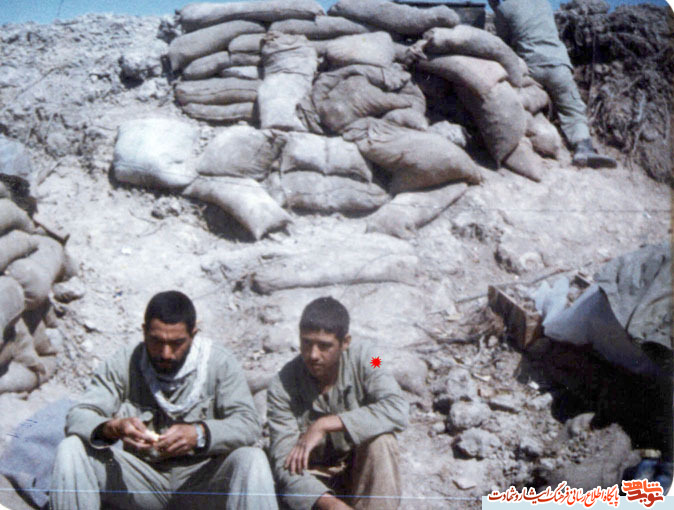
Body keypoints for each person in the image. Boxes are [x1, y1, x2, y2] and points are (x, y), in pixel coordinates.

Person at [50, 290, 278, 510]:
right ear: (144, 332)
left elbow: (248, 424)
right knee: (71, 449)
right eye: (156, 341)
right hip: (141, 481)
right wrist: (113, 428)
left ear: (193, 335)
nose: (166, 353)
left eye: (177, 343)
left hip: (202, 483)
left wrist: (199, 434)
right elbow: (79, 415)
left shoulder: (220, 364)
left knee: (252, 459)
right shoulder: (125, 362)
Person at [267, 296, 408, 510]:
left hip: (357, 474)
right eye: (306, 343)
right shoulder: (282, 384)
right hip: (313, 489)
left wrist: (324, 424)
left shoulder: (371, 359)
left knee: (383, 442)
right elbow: (284, 466)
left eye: (324, 346)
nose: (313, 355)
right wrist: (333, 506)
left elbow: (397, 407)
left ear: (345, 342)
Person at [490, 0, 617, 168]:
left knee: (524, 100)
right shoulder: (543, 3)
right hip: (558, 65)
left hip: (532, 67)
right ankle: (583, 147)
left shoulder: (505, 8)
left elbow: (504, 45)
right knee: (572, 109)